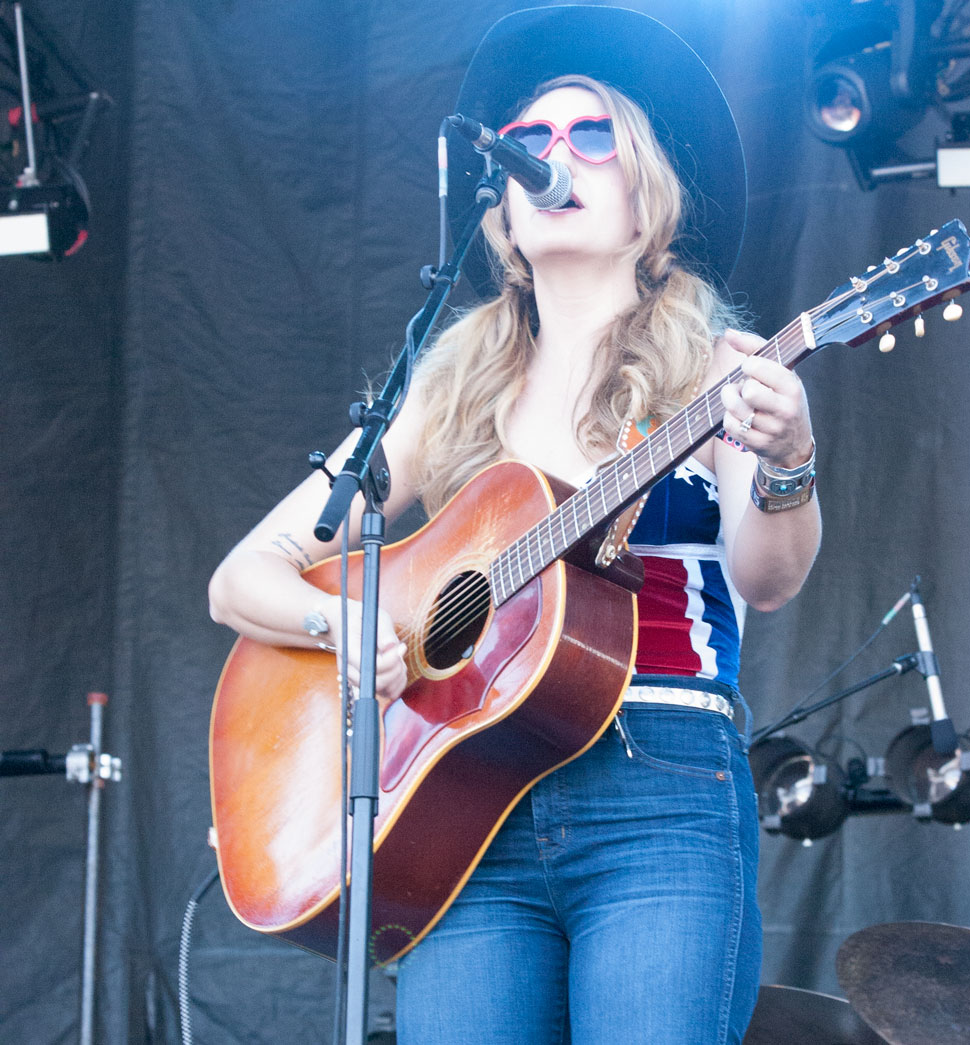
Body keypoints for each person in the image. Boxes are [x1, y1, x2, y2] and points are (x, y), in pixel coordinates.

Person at [208, 7, 821, 1043]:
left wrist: (791, 459)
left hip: (658, 789)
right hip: (465, 809)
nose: (552, 157)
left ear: (647, 198)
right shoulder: (446, 388)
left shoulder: (722, 368)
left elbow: (769, 579)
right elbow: (243, 577)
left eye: (591, 137)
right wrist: (353, 636)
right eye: (528, 143)